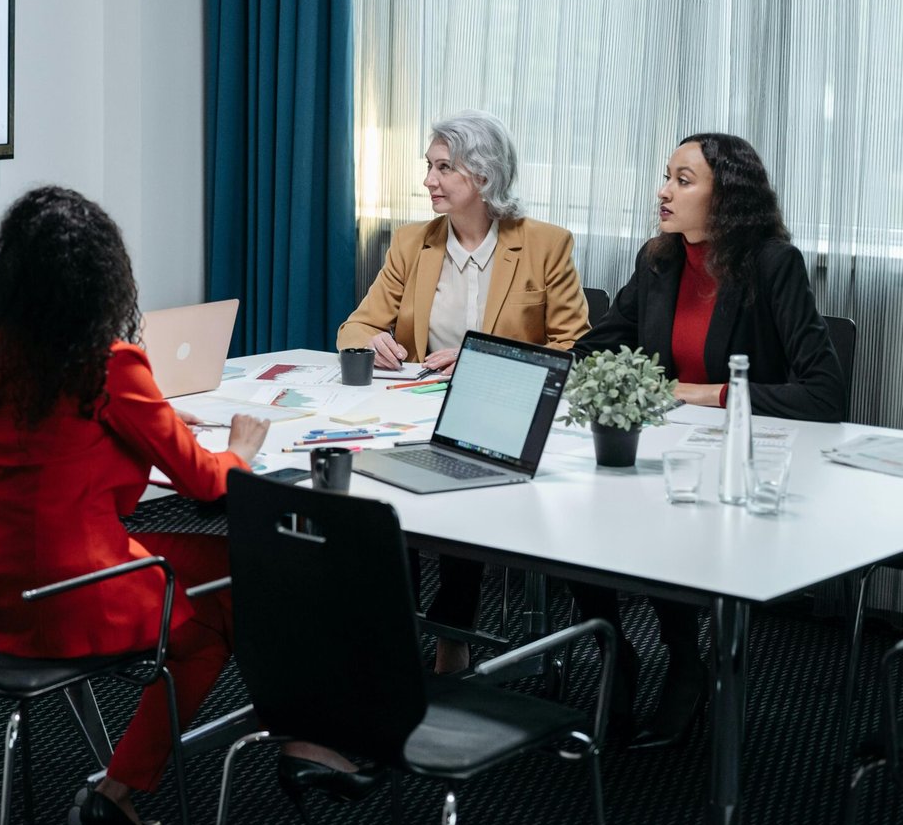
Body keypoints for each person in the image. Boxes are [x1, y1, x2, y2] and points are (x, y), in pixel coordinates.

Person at [0, 187, 366, 825]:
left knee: (237, 567)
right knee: (240, 592)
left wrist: (140, 424)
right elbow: (207, 484)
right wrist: (237, 449)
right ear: (103, 275)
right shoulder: (109, 364)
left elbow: (60, 441)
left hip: (0, 584)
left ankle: (279, 744)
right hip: (77, 591)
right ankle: (290, 743)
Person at [570, 132, 844, 747]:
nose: (664, 191)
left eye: (683, 180)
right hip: (669, 448)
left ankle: (687, 660)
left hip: (743, 459)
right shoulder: (658, 260)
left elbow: (823, 394)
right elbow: (601, 343)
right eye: (665, 176)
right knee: (579, 507)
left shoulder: (773, 264)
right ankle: (613, 648)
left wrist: (711, 393)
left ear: (727, 197)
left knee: (662, 516)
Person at [337, 109, 591, 673]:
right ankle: (396, 628)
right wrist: (373, 342)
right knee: (384, 498)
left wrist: (480, 363)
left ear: (484, 175)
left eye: (443, 167)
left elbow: (572, 351)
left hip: (494, 420)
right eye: (429, 166)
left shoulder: (546, 245)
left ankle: (453, 630)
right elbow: (354, 326)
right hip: (411, 415)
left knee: (463, 482)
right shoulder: (412, 244)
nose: (428, 180)